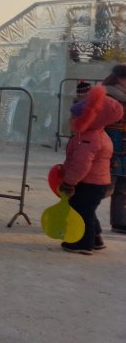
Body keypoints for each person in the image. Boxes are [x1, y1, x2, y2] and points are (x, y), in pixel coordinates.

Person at [56, 85, 123, 254]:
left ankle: (82, 243)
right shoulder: (95, 134)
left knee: (81, 210)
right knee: (87, 209)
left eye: (74, 117)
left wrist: (69, 182)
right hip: (95, 182)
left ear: (88, 119)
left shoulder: (89, 139)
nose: (70, 119)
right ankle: (96, 238)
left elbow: (81, 164)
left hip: (89, 182)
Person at [101, 66, 126, 234]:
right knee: (103, 186)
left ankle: (119, 221)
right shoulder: (108, 95)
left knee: (123, 187)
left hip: (123, 145)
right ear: (120, 78)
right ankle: (82, 214)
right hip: (111, 143)